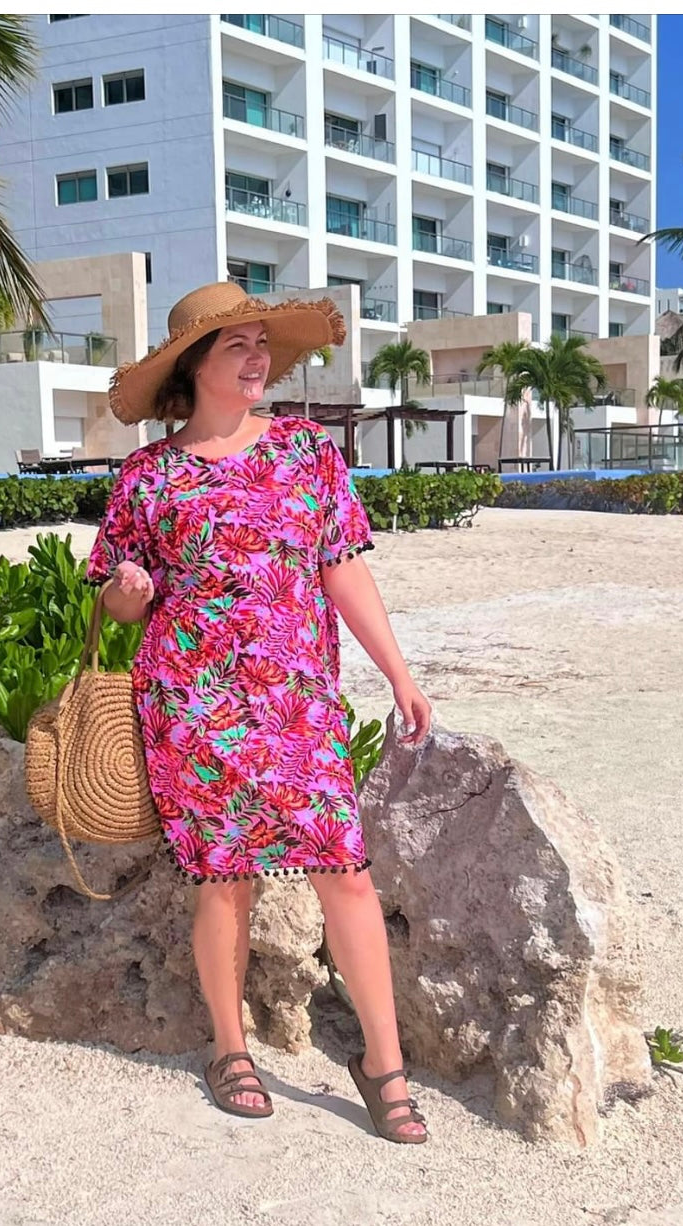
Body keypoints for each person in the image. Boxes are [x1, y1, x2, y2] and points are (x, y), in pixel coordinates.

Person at [85, 282, 433, 1144]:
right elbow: (120, 603)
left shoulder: (308, 453)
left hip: (297, 702)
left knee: (345, 870)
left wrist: (398, 672)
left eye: (261, 343)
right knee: (222, 879)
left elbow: (342, 568)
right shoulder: (148, 476)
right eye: (236, 345)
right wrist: (131, 591)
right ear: (194, 365)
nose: (257, 357)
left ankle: (382, 1063)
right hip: (192, 702)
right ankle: (230, 1048)